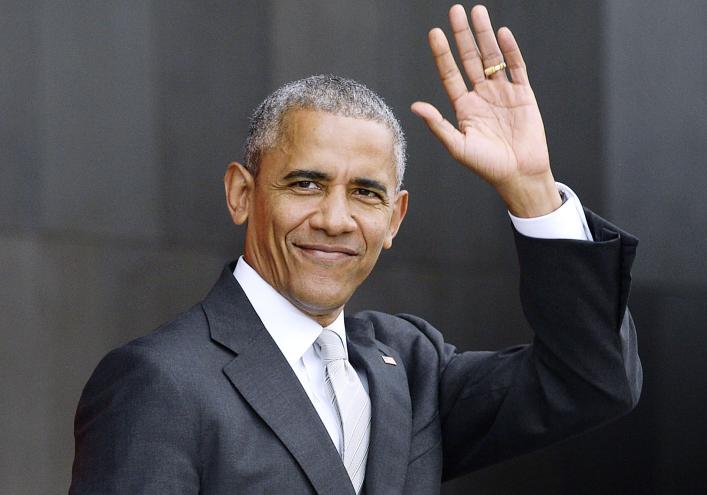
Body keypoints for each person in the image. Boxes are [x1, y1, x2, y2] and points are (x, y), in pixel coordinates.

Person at [69, 4, 641, 494]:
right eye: (306, 184)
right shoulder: (159, 381)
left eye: (366, 193)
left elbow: (592, 382)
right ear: (242, 194)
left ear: (394, 219)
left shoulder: (411, 371)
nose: (336, 219)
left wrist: (531, 188)